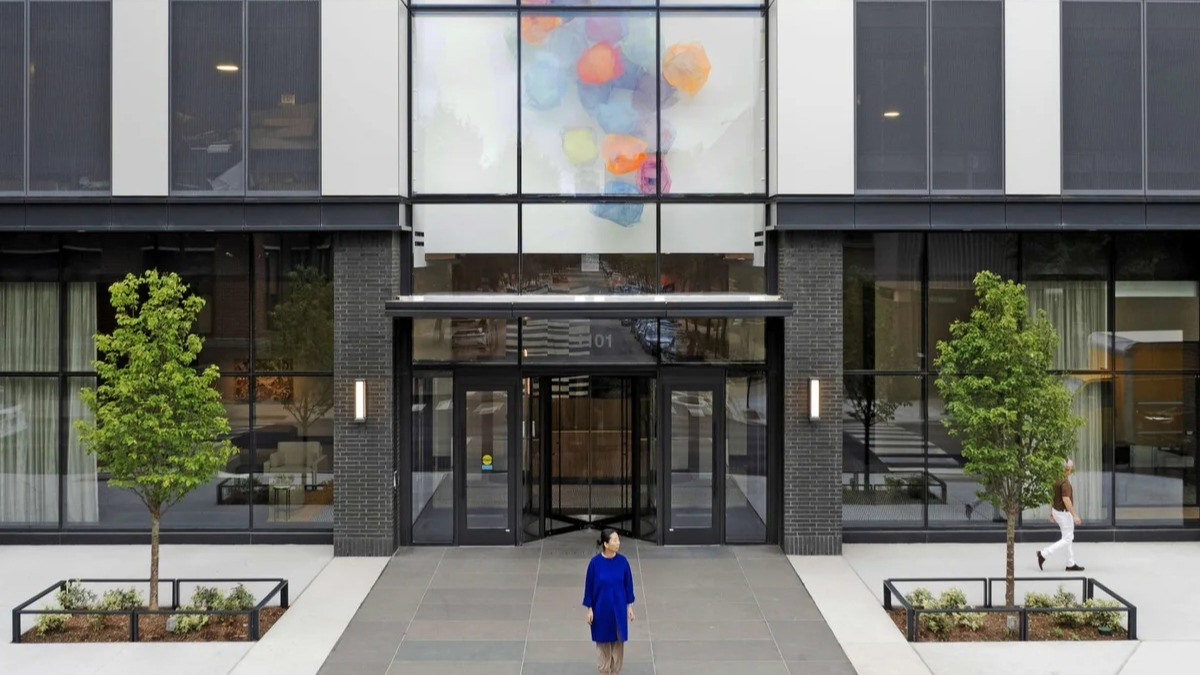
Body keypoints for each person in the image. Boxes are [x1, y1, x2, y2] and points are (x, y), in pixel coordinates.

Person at [583, 529, 636, 674]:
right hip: (601, 610)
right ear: (606, 544)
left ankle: (615, 671)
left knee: (618, 644)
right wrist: (589, 609)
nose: (618, 543)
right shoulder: (595, 564)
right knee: (603, 644)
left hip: (618, 609)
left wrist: (629, 607)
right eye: (614, 540)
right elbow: (589, 587)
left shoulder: (623, 562)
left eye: (618, 540)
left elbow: (628, 585)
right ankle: (604, 670)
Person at [1038, 458, 1085, 572]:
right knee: (1068, 538)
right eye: (1071, 468)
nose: (1072, 470)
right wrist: (1074, 515)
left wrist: (1051, 511)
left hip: (1057, 511)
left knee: (1067, 537)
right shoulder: (1065, 483)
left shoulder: (1056, 479)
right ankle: (1044, 554)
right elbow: (1066, 499)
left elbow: (1053, 496)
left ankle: (1070, 563)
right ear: (1067, 469)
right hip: (1064, 514)